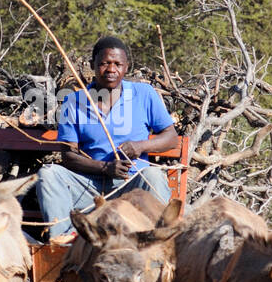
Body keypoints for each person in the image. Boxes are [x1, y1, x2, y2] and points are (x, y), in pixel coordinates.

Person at [37, 35, 179, 242]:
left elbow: (171, 138)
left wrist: (140, 146)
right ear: (93, 65)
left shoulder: (144, 94)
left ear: (126, 67)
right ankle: (64, 241)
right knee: (49, 173)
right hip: (89, 187)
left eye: (117, 64)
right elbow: (68, 156)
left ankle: (154, 240)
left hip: (131, 185)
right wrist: (104, 169)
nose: (111, 69)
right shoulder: (73, 101)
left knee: (155, 176)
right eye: (104, 63)